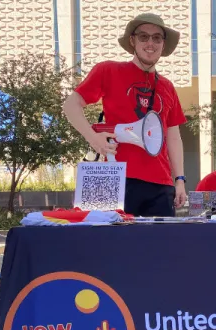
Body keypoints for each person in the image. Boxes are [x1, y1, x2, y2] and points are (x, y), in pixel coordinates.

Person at [63, 13, 188, 217]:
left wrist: (179, 180)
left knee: (161, 249)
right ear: (132, 40)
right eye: (143, 37)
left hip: (161, 184)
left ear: (163, 44)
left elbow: (173, 136)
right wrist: (93, 138)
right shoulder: (108, 70)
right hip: (113, 178)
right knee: (110, 247)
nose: (150, 43)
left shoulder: (168, 86)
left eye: (157, 38)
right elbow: (71, 105)